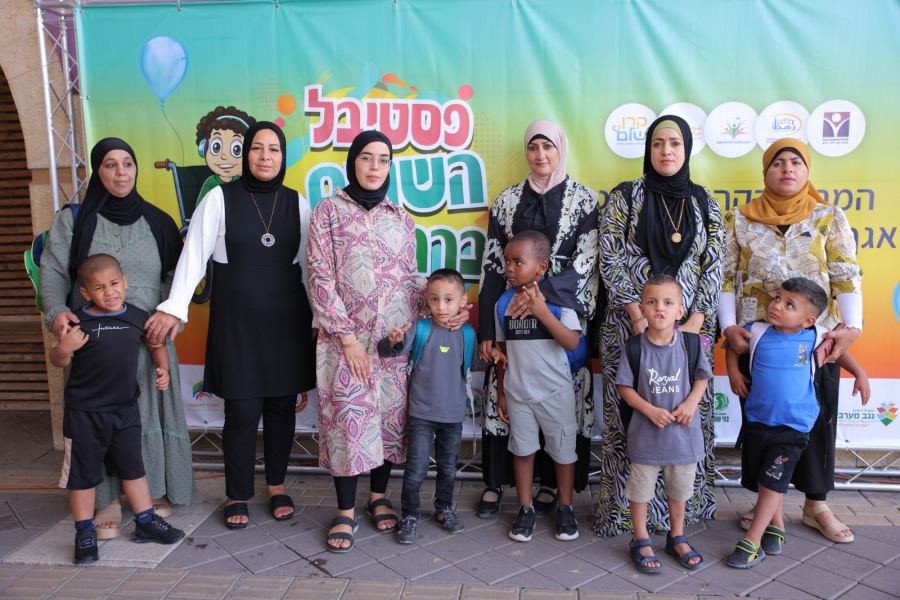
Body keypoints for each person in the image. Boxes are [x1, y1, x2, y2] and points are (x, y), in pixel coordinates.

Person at [147, 122, 316, 529]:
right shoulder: (219, 199)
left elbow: (310, 269)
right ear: (246, 154)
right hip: (237, 323)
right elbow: (194, 255)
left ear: (283, 157)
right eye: (257, 148)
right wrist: (175, 307)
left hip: (286, 324)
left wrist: (318, 317)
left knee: (281, 410)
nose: (265, 157)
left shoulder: (298, 203)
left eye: (273, 149)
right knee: (241, 411)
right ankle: (236, 493)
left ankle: (277, 485)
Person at [40, 137, 190, 540]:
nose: (121, 172)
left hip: (149, 339)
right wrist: (57, 314)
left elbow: (177, 274)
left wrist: (171, 310)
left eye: (127, 163)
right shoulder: (74, 221)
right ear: (97, 171)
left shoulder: (159, 221)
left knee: (145, 416)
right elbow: (53, 271)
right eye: (110, 164)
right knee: (96, 424)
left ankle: (150, 493)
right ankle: (106, 499)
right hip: (94, 345)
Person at [718, 138, 864, 543]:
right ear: (765, 172)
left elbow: (846, 273)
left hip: (817, 343)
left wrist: (851, 328)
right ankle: (770, 506)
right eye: (777, 162)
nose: (787, 168)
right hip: (757, 342)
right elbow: (726, 277)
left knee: (815, 421)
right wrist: (728, 327)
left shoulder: (828, 216)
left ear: (806, 170)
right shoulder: (740, 219)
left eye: (795, 162)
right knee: (765, 425)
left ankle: (816, 505)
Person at [594, 115, 724, 536]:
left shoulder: (704, 202)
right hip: (630, 330)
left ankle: (678, 521)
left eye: (675, 143)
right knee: (631, 420)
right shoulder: (626, 197)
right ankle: (625, 519)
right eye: (658, 143)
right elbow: (610, 257)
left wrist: (695, 323)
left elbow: (714, 264)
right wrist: (638, 316)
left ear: (687, 149)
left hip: (690, 334)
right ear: (648, 148)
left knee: (685, 416)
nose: (666, 151)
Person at [477, 120, 599, 520]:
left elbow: (587, 262)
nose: (540, 155)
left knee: (560, 402)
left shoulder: (584, 200)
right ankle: (498, 484)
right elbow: (493, 263)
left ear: (560, 150)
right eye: (533, 147)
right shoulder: (507, 201)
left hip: (559, 309)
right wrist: (487, 328)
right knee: (509, 389)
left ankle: (553, 488)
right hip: (510, 312)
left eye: (548, 147)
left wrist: (538, 297)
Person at [307, 130, 421, 553]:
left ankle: (377, 496)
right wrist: (348, 338)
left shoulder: (401, 219)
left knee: (388, 422)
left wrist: (431, 309)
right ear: (352, 161)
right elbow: (319, 277)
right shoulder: (328, 211)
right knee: (347, 423)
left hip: (390, 345)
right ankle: (344, 511)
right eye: (367, 157)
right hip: (345, 344)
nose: (375, 167)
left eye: (384, 159)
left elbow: (409, 279)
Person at [725, 278, 870, 568]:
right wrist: (734, 373)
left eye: (789, 305)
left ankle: (752, 542)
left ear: (808, 320)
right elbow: (731, 345)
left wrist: (860, 374)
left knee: (772, 480)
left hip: (794, 426)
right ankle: (776, 526)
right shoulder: (757, 331)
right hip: (758, 421)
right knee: (766, 479)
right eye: (778, 298)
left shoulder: (815, 336)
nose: (777, 305)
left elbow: (840, 352)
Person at [50, 254, 185, 564]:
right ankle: (84, 533)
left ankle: (145, 521)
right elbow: (58, 360)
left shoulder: (137, 316)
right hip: (84, 414)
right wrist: (64, 349)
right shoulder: (76, 322)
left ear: (125, 282)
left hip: (125, 410)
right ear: (85, 293)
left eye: (114, 284)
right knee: (82, 475)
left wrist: (162, 368)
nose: (109, 292)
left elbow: (156, 344)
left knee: (133, 468)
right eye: (99, 288)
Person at [492, 230, 584, 543]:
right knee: (522, 452)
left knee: (563, 453)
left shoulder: (559, 301)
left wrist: (543, 312)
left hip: (556, 393)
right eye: (507, 261)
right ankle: (525, 508)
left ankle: (566, 507)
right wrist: (501, 392)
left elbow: (572, 342)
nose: (510, 267)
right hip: (518, 394)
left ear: (541, 267)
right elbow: (503, 353)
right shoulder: (503, 303)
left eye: (518, 262)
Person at [615, 275, 711, 574]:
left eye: (668, 302)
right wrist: (649, 410)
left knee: (679, 491)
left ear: (680, 310)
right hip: (646, 439)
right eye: (652, 302)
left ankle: (677, 536)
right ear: (642, 308)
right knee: (640, 491)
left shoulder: (690, 344)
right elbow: (624, 387)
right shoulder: (634, 347)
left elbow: (702, 378)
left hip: (683, 440)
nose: (660, 308)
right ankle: (640, 538)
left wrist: (691, 403)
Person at [377, 268, 476, 544]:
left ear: (462, 301)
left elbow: (477, 363)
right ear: (426, 299)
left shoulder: (468, 334)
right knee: (416, 470)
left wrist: (493, 353)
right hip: (420, 415)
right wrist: (392, 341)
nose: (441, 306)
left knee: (448, 468)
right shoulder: (419, 329)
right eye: (434, 299)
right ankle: (409, 515)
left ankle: (444, 509)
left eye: (448, 299)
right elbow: (385, 351)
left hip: (453, 416)